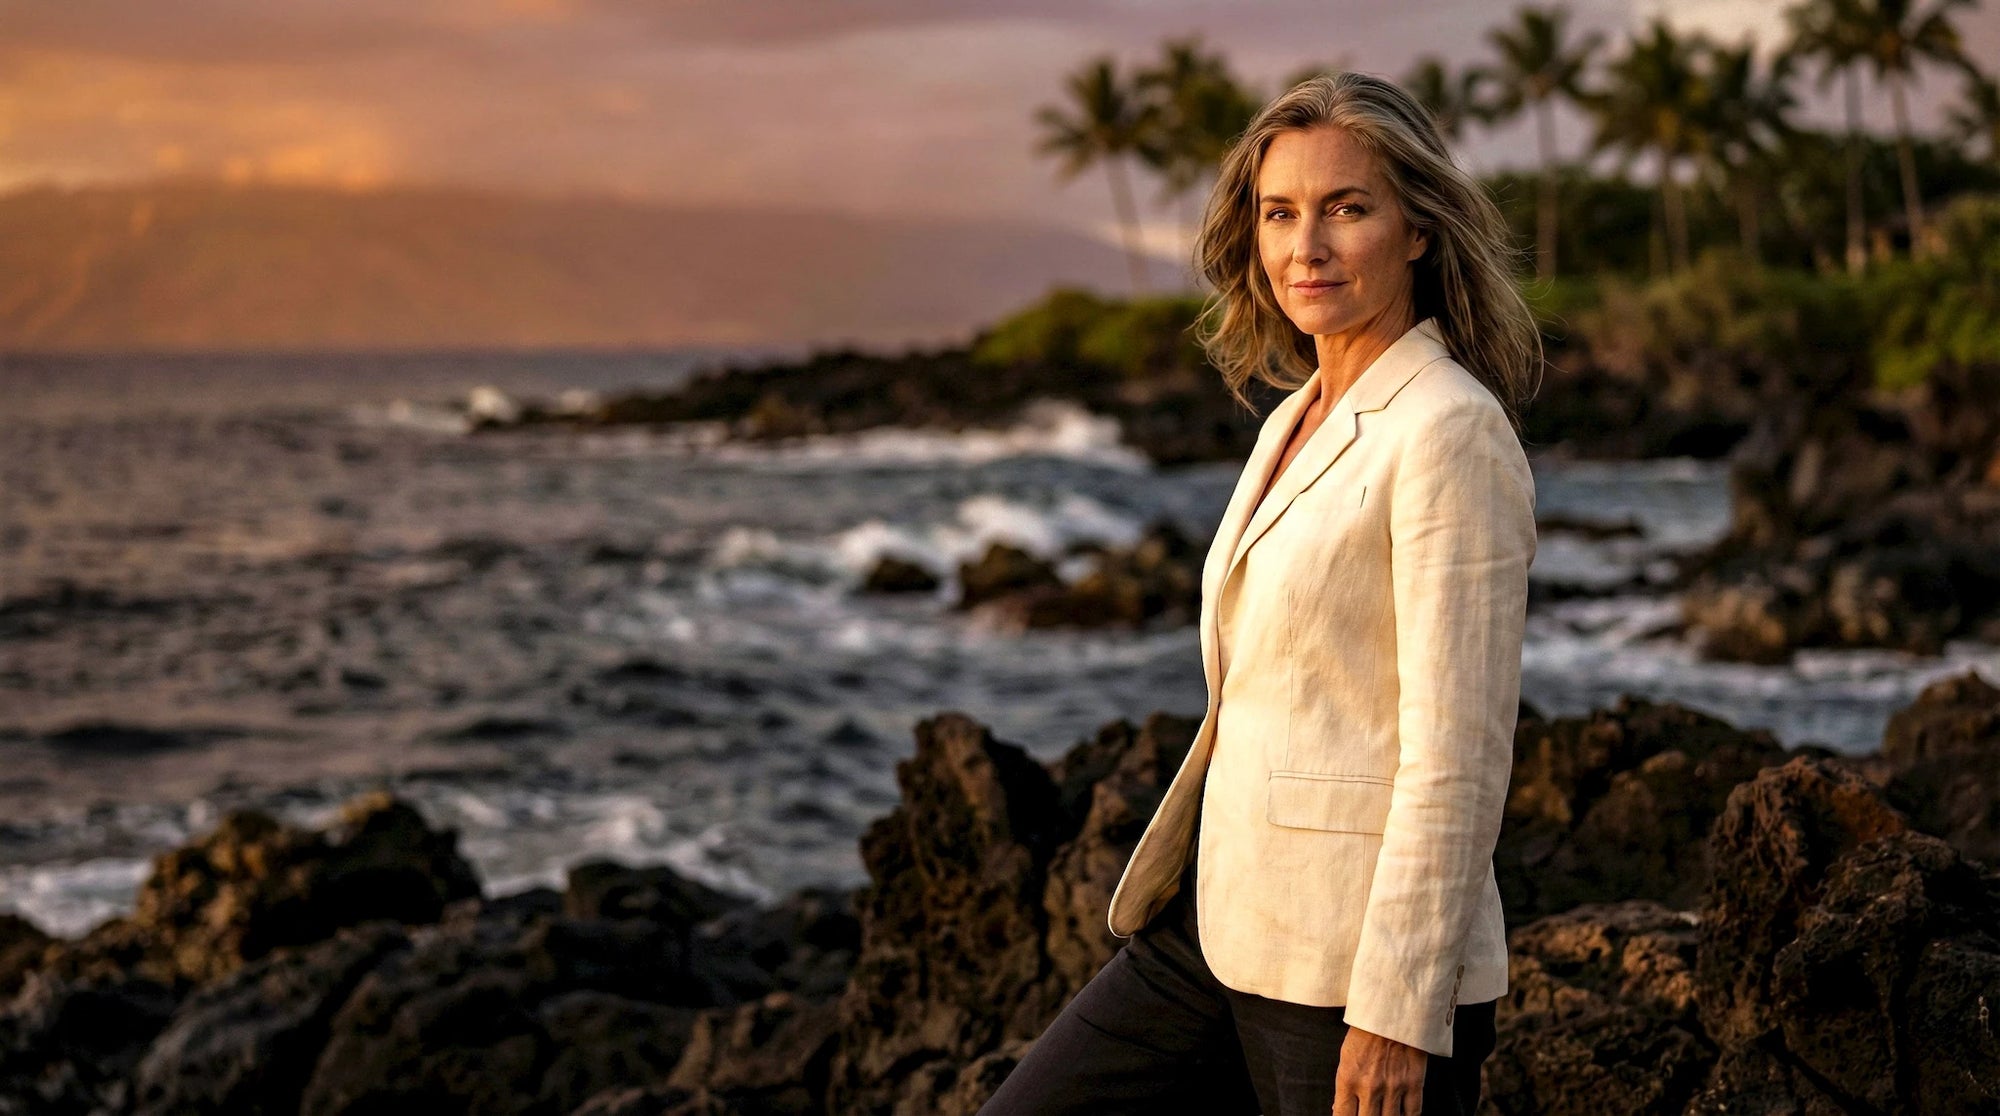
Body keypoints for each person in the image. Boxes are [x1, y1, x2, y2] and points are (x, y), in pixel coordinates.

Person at [980, 71, 1541, 1116]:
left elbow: (1458, 758)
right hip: (1213, 931)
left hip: (1346, 977)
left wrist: (1393, 1013)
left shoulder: (1447, 432)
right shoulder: (1293, 418)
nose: (1305, 247)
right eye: (1278, 214)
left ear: (1416, 230)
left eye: (1346, 209)